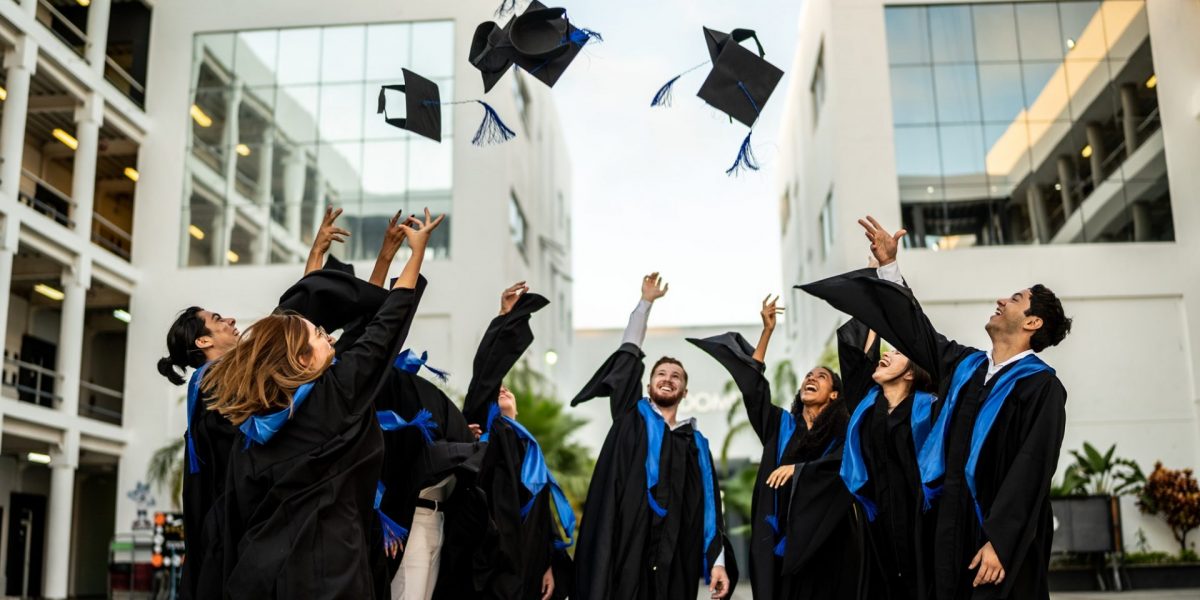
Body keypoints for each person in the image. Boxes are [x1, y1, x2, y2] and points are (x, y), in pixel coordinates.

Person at [799, 216, 1071, 600]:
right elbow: (917, 333)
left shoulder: (1041, 386)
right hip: (948, 526)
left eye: (1015, 299)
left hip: (995, 534)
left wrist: (1000, 541)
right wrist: (890, 269)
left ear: (1033, 321)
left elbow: (1031, 469)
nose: (1001, 300)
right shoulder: (967, 367)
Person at [207, 209, 443, 599]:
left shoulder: (252, 429)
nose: (329, 338)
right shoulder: (334, 396)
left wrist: (383, 258)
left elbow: (340, 330)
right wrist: (416, 254)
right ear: (300, 359)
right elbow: (384, 330)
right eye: (320, 334)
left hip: (259, 576)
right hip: (330, 575)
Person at [160, 205, 380, 600]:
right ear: (203, 342)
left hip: (239, 518)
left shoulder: (215, 385)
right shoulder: (220, 384)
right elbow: (289, 327)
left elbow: (290, 324)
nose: (229, 320)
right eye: (216, 319)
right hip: (247, 522)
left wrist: (315, 258)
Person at [571, 273, 737, 600]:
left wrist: (717, 561)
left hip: (675, 552)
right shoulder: (633, 418)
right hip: (627, 544)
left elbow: (707, 506)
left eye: (675, 376)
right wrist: (644, 304)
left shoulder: (695, 443)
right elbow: (628, 355)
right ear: (648, 385)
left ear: (684, 390)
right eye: (660, 374)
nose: (667, 379)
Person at [689, 296, 861, 600]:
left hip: (830, 542)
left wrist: (798, 470)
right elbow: (754, 390)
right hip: (783, 542)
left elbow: (843, 468)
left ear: (834, 395)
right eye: (809, 375)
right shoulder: (781, 426)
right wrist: (767, 331)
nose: (811, 378)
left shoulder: (843, 432)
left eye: (821, 377)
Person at [461, 283, 573, 600]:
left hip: (529, 558)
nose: (503, 391)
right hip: (490, 557)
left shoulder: (527, 447)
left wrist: (550, 563)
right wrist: (504, 318)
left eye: (508, 391)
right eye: (498, 392)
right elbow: (484, 375)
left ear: (518, 408)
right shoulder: (487, 433)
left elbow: (544, 515)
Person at [833, 300, 936, 600]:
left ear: (911, 373)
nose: (887, 355)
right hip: (875, 523)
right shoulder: (867, 408)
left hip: (921, 521)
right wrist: (872, 290)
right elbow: (864, 354)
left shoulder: (930, 410)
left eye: (899, 353)